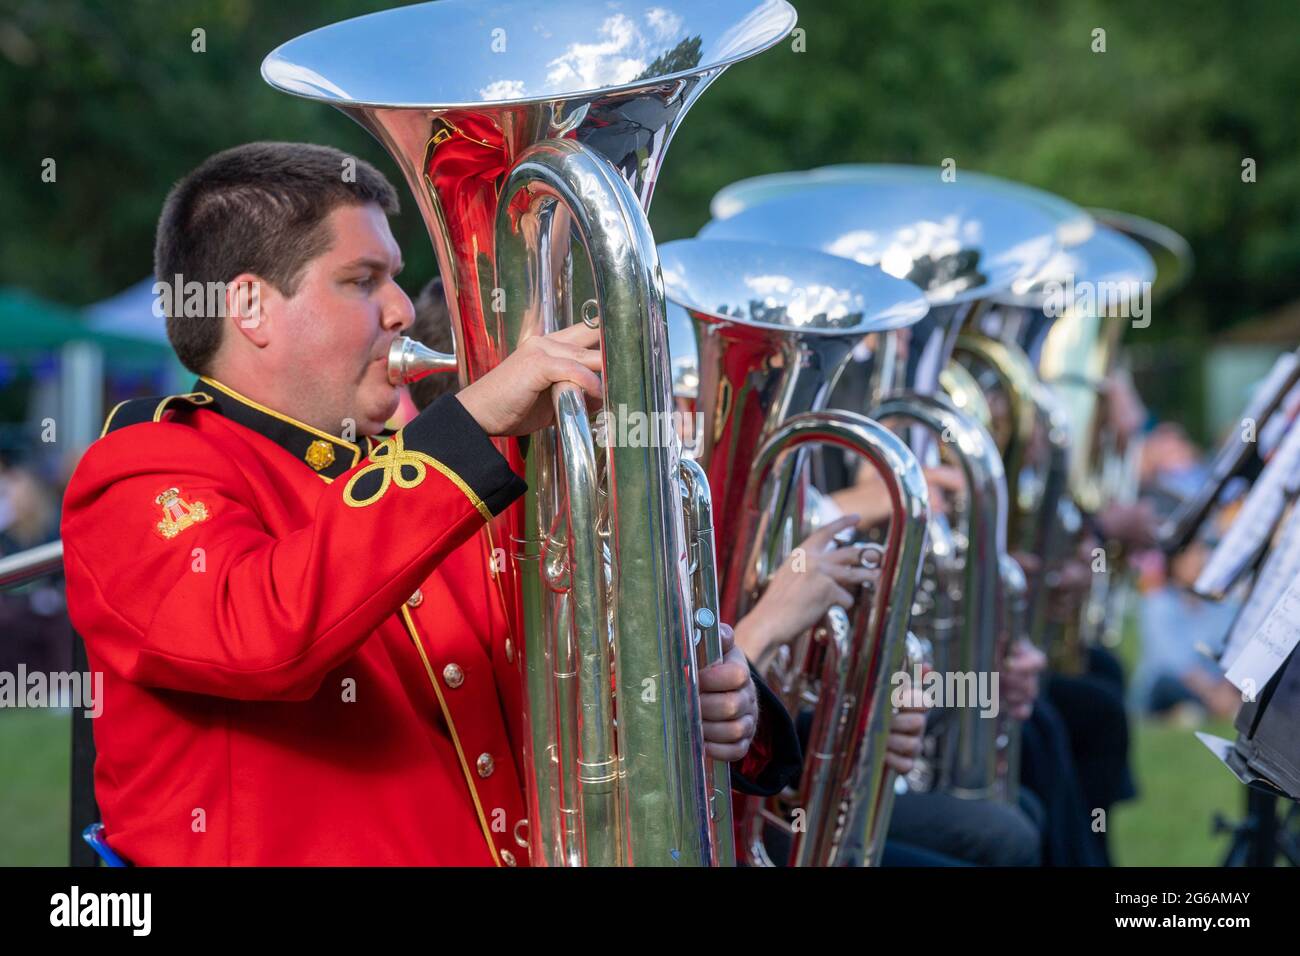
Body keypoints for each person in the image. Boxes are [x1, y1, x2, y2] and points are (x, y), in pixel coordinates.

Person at [61, 142, 796, 866]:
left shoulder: (420, 483)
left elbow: (544, 705)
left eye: (397, 279)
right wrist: (470, 427)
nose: (404, 310)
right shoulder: (144, 469)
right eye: (361, 280)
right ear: (252, 307)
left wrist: (692, 698)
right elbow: (261, 635)